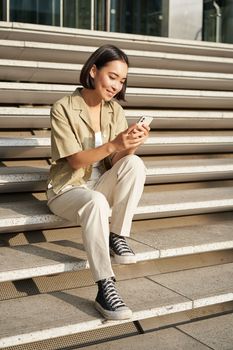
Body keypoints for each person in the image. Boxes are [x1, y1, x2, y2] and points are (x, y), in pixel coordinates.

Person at [46, 45, 150, 320]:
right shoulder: (63, 108)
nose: (117, 85)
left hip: (99, 185)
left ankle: (117, 235)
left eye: (122, 80)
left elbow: (115, 162)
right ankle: (106, 286)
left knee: (135, 164)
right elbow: (76, 162)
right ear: (93, 71)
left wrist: (129, 146)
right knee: (95, 201)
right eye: (112, 76)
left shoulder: (114, 110)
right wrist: (115, 142)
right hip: (68, 189)